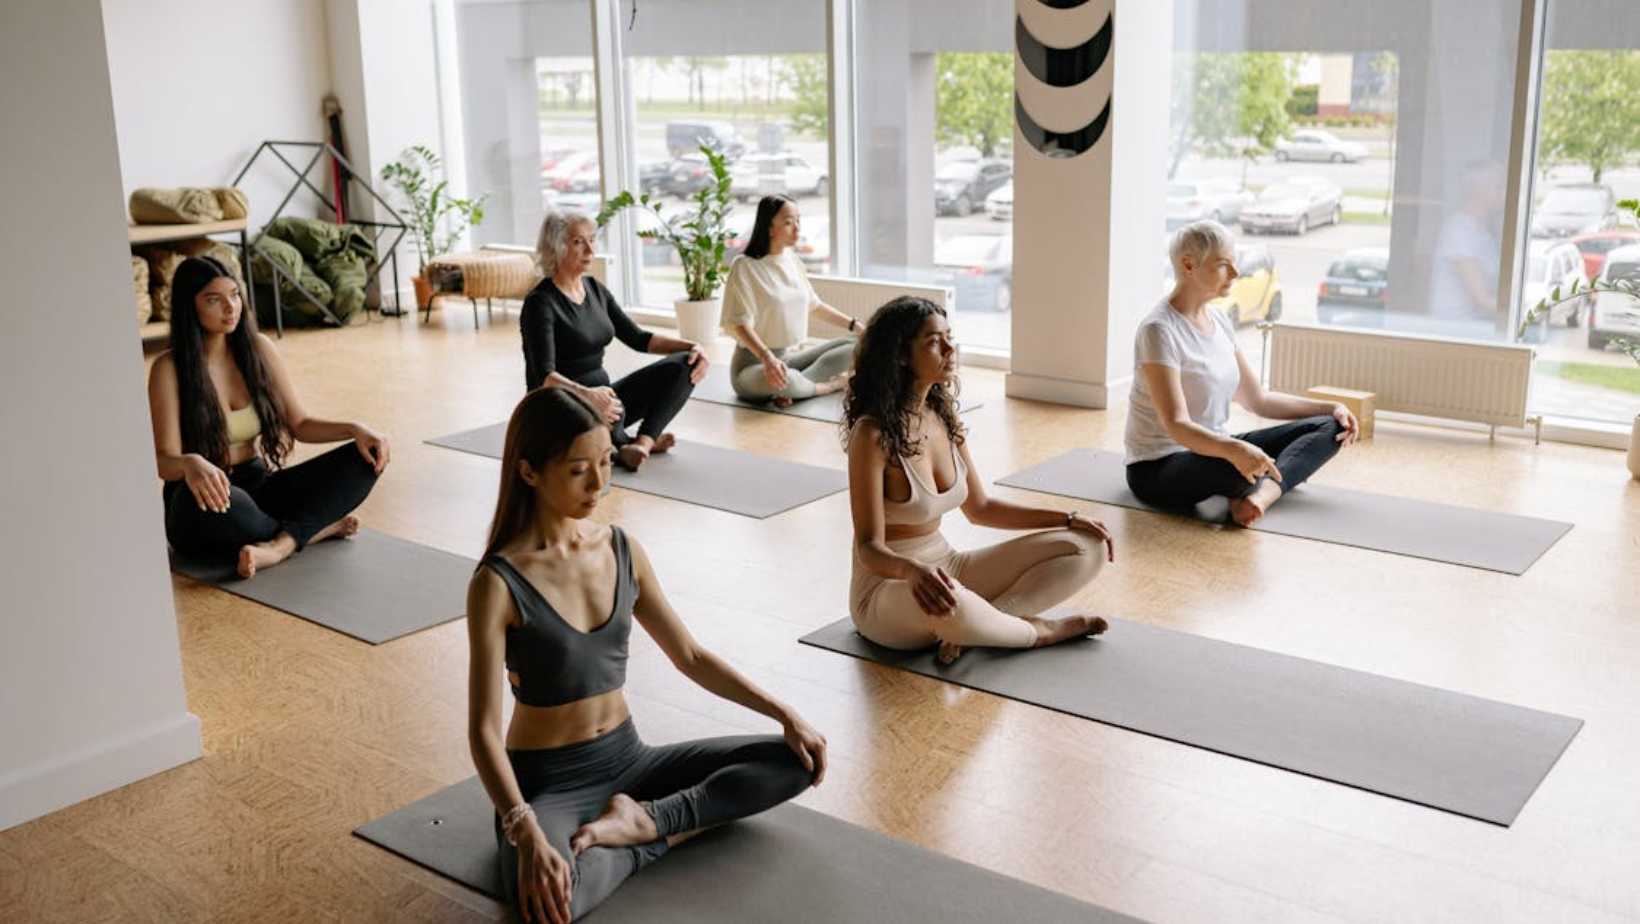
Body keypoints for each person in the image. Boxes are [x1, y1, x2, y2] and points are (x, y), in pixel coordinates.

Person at [468, 387, 826, 924]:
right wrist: (524, 827)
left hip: (630, 759)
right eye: (577, 470)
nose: (598, 483)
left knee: (795, 761)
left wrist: (786, 715)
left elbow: (689, 655)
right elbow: (482, 731)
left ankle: (646, 823)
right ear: (529, 473)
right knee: (552, 904)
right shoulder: (497, 583)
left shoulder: (622, 549)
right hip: (547, 784)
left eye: (606, 462)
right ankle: (658, 833)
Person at [844, 296, 1114, 666]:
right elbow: (869, 547)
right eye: (934, 341)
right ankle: (1038, 632)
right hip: (887, 591)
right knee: (953, 604)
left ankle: (986, 627)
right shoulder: (871, 435)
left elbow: (982, 508)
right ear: (902, 355)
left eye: (949, 337)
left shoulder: (941, 415)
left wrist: (1067, 518)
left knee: (1088, 546)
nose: (950, 348)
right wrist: (912, 570)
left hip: (949, 566)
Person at [147, 255, 388, 578]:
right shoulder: (169, 369)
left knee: (365, 459)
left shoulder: (257, 349)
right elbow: (163, 460)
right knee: (220, 505)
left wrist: (356, 429)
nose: (230, 308)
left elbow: (300, 424)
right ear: (190, 307)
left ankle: (280, 545)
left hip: (256, 486)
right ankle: (310, 530)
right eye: (214, 300)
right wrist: (190, 462)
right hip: (201, 501)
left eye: (234, 295)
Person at [1125, 220, 1358, 526]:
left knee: (1330, 428)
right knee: (1240, 468)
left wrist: (1332, 407)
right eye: (1224, 265)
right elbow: (1177, 425)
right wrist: (1236, 450)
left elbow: (1257, 400)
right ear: (1188, 265)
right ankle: (1252, 488)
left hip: (1213, 447)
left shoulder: (1220, 320)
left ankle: (1259, 499)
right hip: (1158, 465)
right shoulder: (1159, 330)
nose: (1236, 274)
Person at [520, 210, 708, 472]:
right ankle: (617, 444)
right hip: (562, 406)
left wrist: (691, 347)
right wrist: (588, 396)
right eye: (578, 242)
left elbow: (638, 338)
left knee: (684, 365)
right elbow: (543, 376)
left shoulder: (594, 288)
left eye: (592, 240)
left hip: (607, 401)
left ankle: (641, 443)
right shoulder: (540, 303)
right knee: (603, 408)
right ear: (557, 247)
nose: (589, 249)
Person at [721, 195, 858, 407]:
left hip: (787, 359)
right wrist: (767, 358)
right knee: (790, 379)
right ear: (769, 228)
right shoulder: (745, 266)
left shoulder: (792, 260)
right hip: (752, 368)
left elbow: (815, 305)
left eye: (798, 221)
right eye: (788, 222)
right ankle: (827, 386)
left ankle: (792, 390)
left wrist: (856, 326)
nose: (797, 228)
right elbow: (739, 324)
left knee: (856, 344)